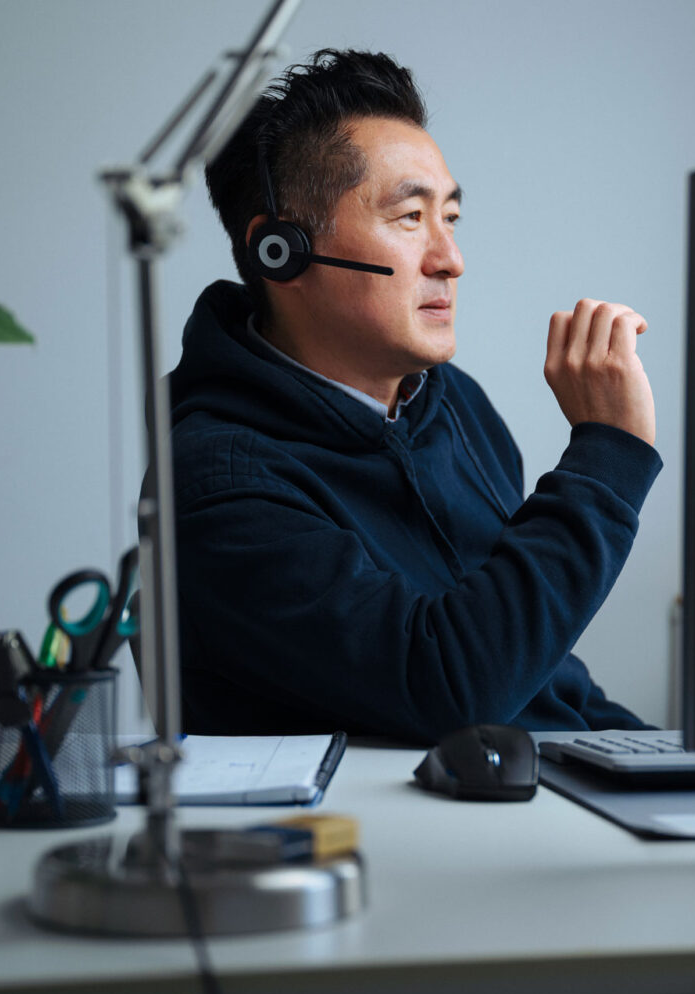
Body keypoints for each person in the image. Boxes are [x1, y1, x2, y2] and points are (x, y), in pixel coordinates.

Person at [166, 48, 661, 745]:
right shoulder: (221, 483)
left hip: (536, 801)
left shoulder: (453, 405)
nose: (449, 259)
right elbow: (446, 685)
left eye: (450, 218)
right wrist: (608, 458)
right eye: (409, 218)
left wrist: (673, 753)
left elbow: (541, 673)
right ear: (282, 251)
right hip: (411, 841)